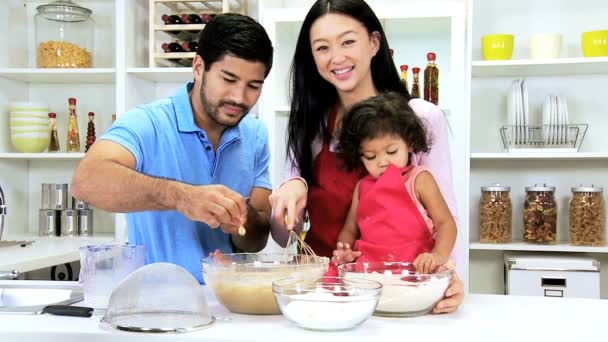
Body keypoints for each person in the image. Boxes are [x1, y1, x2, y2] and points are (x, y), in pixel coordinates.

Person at [268, 0, 463, 313]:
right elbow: (282, 238)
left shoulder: (421, 117)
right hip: (323, 294)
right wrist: (288, 193)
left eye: (348, 41)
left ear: (374, 43)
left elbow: (447, 216)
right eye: (322, 47)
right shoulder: (311, 126)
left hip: (399, 290)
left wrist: (449, 277)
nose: (336, 57)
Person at [71, 13, 274, 283]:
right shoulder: (149, 122)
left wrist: (241, 220)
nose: (239, 97)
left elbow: (257, 239)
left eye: (253, 86)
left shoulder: (255, 135)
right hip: (155, 304)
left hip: (227, 302)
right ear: (199, 67)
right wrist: (181, 197)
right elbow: (86, 181)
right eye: (228, 79)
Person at [331, 92, 457, 275]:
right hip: (371, 277)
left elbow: (446, 223)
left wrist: (437, 256)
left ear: (410, 143)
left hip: (415, 275)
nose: (383, 162)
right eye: (370, 156)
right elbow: (349, 230)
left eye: (392, 151)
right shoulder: (363, 187)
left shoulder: (419, 180)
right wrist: (344, 250)